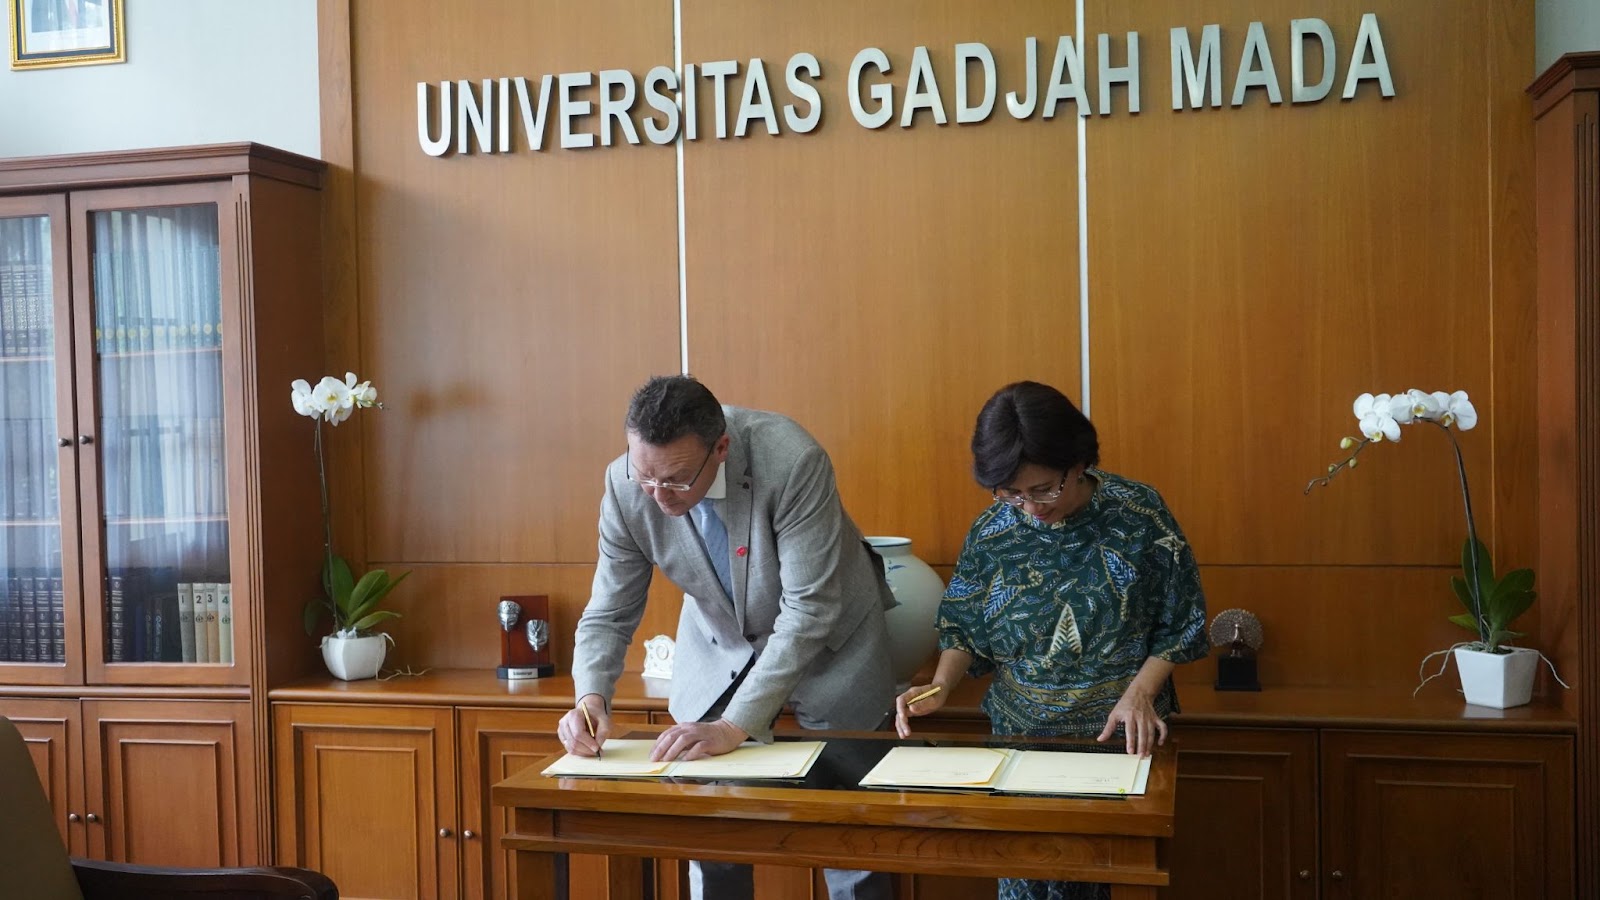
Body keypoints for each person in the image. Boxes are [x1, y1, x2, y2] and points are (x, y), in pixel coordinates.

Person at [560, 374, 895, 900]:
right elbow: (608, 610)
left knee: (848, 837)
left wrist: (736, 724)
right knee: (711, 833)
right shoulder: (628, 484)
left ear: (721, 449)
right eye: (644, 476)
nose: (656, 496)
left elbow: (810, 609)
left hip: (833, 645)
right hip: (722, 646)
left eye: (674, 481)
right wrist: (590, 696)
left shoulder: (791, 459)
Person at [895, 380, 1207, 900]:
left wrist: (1141, 693)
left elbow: (1182, 623)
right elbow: (965, 627)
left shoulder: (1138, 515)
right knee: (1026, 881)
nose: (1030, 507)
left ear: (1079, 462)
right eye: (1011, 493)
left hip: (1117, 735)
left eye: (1044, 489)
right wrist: (942, 685)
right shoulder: (995, 530)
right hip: (1021, 735)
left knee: (1104, 878)